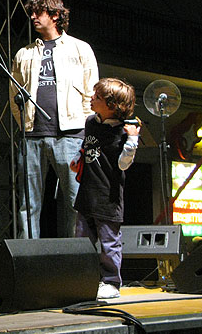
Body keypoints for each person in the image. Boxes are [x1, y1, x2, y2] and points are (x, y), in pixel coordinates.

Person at [10, 0, 99, 239]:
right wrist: (26, 125)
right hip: (32, 137)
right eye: (31, 12)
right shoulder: (24, 54)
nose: (33, 17)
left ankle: (75, 262)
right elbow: (13, 97)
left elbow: (92, 92)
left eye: (39, 12)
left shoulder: (80, 49)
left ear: (56, 15)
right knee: (28, 204)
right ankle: (29, 261)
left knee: (75, 202)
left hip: (71, 136)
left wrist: (83, 128)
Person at [69, 77, 139, 299]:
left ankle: (110, 282)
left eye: (97, 97)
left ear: (112, 105)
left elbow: (123, 164)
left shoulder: (124, 132)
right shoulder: (91, 122)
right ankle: (84, 280)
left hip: (107, 196)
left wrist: (132, 142)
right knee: (82, 240)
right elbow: (87, 146)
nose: (91, 98)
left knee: (109, 242)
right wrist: (77, 159)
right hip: (87, 193)